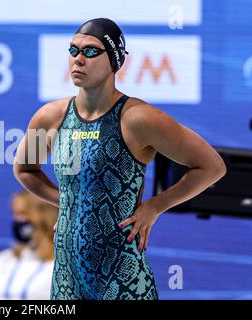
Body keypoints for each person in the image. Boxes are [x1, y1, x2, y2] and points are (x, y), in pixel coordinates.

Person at [13, 18, 227, 300]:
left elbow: (212, 166)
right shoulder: (50, 117)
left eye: (90, 51)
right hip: (67, 279)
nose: (78, 59)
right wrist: (68, 203)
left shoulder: (138, 119)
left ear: (115, 61)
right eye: (73, 50)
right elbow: (25, 169)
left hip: (122, 280)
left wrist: (155, 206)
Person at [0, 190, 58, 300]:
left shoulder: (60, 266)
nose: (17, 220)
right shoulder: (3, 260)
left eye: (23, 214)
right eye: (14, 214)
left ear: (44, 217)